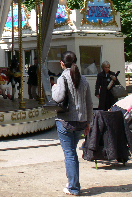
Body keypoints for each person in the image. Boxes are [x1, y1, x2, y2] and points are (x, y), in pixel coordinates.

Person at [51, 51, 93, 196]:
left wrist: (53, 87)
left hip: (66, 121)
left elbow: (58, 97)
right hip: (81, 121)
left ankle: (73, 187)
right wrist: (89, 122)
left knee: (69, 154)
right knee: (72, 153)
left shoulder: (63, 78)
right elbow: (89, 103)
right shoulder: (84, 79)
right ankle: (73, 184)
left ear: (62, 63)